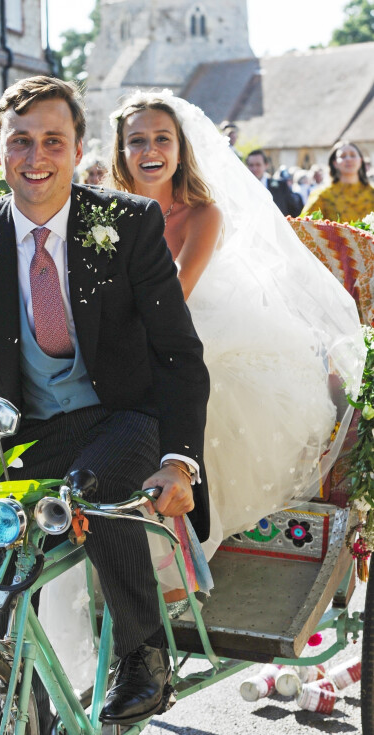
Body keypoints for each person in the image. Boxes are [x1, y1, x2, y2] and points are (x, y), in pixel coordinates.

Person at [0, 76, 211, 729]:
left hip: (123, 415)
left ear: (78, 146)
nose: (37, 157)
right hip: (28, 429)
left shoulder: (127, 222)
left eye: (53, 141)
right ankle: (6, 686)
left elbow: (176, 350)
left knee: (90, 489)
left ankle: (143, 656)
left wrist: (180, 460)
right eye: (21, 141)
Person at [107, 89, 364, 547]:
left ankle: (189, 542)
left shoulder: (202, 214)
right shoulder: (104, 214)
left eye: (163, 139)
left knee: (207, 388)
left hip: (193, 325)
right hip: (129, 330)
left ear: (181, 150)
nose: (150, 150)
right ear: (121, 152)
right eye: (137, 141)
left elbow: (177, 295)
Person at [302, 140, 374, 222]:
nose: (348, 159)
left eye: (353, 155)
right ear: (335, 163)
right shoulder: (322, 195)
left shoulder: (372, 193)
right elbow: (303, 226)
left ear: (360, 160)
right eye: (343, 156)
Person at [246, 149, 303, 216]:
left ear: (266, 165)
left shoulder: (281, 186)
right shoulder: (243, 187)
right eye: (251, 165)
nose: (254, 168)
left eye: (258, 165)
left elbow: (294, 211)